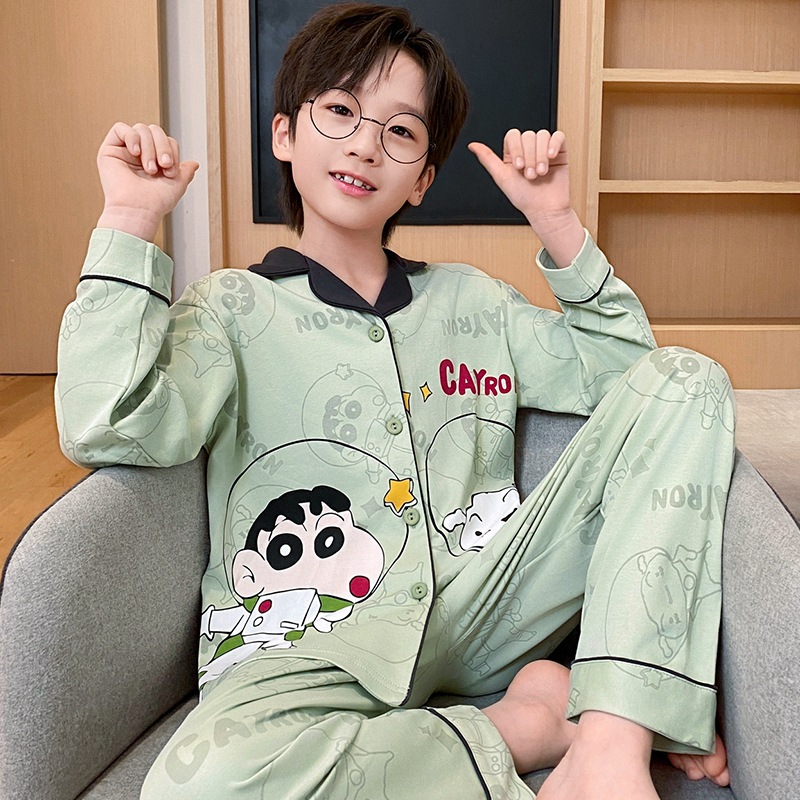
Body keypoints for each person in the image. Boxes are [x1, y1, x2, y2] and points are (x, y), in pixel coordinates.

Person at [55, 4, 736, 798]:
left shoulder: (476, 302)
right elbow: (107, 422)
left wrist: (557, 224)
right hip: (311, 640)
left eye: (401, 131)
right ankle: (528, 726)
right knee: (198, 786)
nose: (365, 144)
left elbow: (632, 375)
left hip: (491, 607)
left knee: (691, 378)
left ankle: (612, 746)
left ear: (422, 180)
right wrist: (131, 219)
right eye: (341, 110)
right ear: (284, 134)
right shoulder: (228, 309)